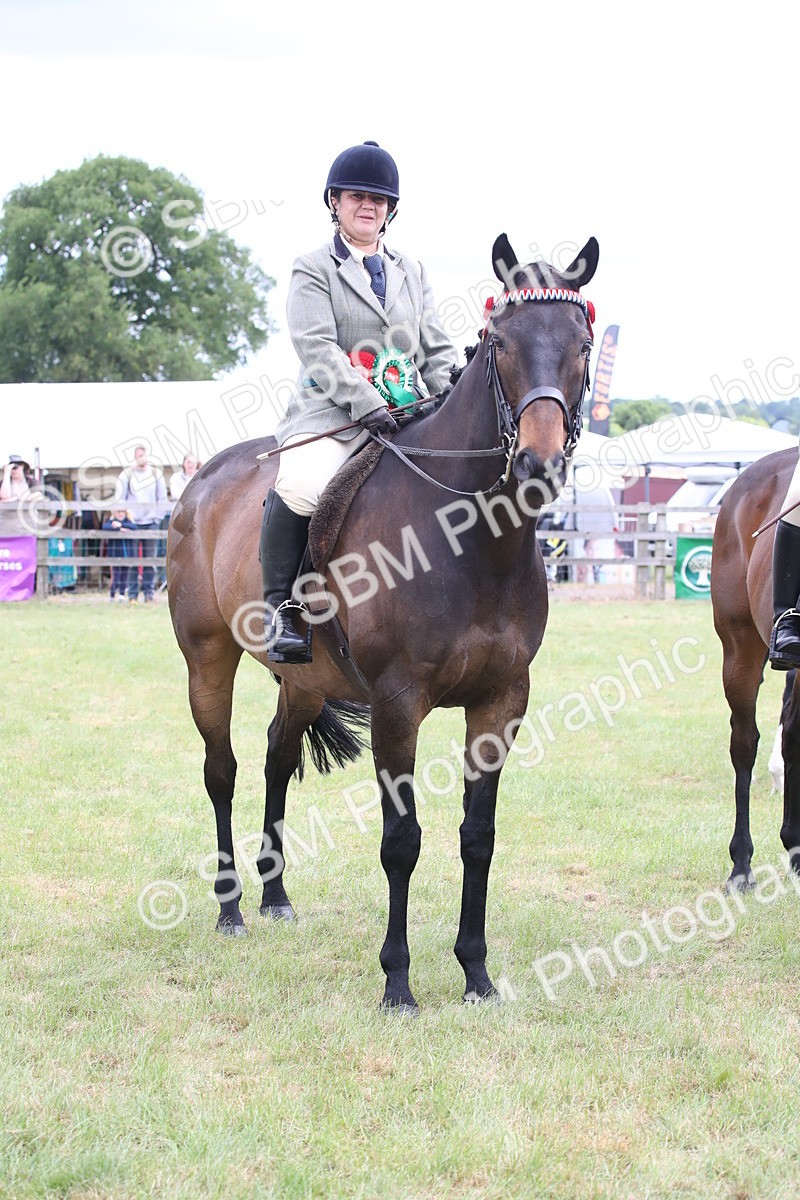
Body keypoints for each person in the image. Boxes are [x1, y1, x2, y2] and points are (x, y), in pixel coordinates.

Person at [261, 140, 457, 663]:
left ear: (390, 209)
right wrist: (365, 400)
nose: (368, 205)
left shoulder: (412, 271)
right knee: (303, 484)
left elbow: (435, 348)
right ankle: (281, 610)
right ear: (335, 202)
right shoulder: (313, 268)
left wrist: (449, 401)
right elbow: (316, 346)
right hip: (332, 412)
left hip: (408, 412)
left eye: (378, 199)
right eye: (357, 196)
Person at [114, 446, 168, 603]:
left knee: (150, 560)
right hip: (132, 523)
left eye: (143, 455)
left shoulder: (156, 474)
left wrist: (157, 518)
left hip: (151, 522)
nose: (141, 458)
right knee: (132, 560)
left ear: (147, 456)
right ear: (134, 457)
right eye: (138, 455)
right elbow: (120, 498)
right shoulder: (127, 475)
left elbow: (162, 498)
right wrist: (125, 520)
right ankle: (132, 594)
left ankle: (149, 593)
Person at [102, 506, 137, 601]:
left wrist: (121, 525)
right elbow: (105, 527)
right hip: (115, 554)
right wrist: (119, 529)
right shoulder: (111, 522)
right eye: (118, 511)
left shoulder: (127, 522)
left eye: (122, 512)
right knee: (116, 576)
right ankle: (112, 595)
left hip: (127, 554)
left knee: (124, 576)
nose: (120, 514)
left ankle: (122, 595)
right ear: (114, 513)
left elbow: (134, 527)